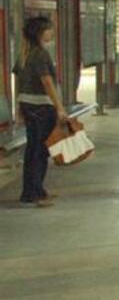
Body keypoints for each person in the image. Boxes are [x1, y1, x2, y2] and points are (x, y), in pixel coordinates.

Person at [15, 17, 67, 207]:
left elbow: (19, 82)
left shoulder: (24, 53)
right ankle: (35, 193)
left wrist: (18, 106)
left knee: (32, 149)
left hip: (28, 104)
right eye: (49, 29)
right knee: (40, 151)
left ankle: (31, 191)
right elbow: (47, 82)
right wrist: (59, 107)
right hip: (42, 107)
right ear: (40, 33)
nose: (52, 32)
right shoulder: (41, 54)